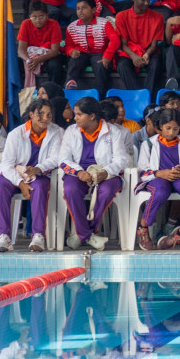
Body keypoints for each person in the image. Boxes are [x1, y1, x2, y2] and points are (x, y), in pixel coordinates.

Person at [55, 96, 128, 251]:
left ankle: (82, 234)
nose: (75, 118)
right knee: (71, 190)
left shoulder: (113, 131)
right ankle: (88, 235)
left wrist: (105, 172)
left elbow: (121, 160)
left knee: (107, 191)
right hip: (79, 173)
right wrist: (79, 172)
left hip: (106, 173)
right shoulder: (71, 131)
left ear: (92, 116)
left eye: (79, 114)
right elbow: (63, 159)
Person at [0, 97, 60, 252]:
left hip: (39, 175)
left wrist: (39, 168)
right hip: (15, 175)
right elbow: (6, 164)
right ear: (31, 114)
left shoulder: (57, 132)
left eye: (49, 115)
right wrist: (20, 183)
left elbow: (56, 158)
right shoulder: (16, 134)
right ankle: (3, 237)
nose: (45, 118)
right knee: (0, 185)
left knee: (40, 187)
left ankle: (38, 235)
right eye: (40, 114)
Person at [132, 107, 180, 251]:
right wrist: (159, 173)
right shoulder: (149, 144)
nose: (171, 132)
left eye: (175, 129)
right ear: (160, 127)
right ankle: (143, 226)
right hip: (158, 178)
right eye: (168, 128)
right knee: (160, 192)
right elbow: (142, 170)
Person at [64, 0, 116, 92]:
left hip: (99, 53)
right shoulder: (71, 27)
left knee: (101, 67)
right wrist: (71, 51)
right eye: (78, 8)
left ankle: (98, 96)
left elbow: (115, 40)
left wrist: (107, 55)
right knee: (73, 63)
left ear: (93, 10)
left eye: (84, 8)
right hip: (81, 54)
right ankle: (70, 91)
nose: (80, 11)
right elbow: (68, 46)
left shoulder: (104, 23)